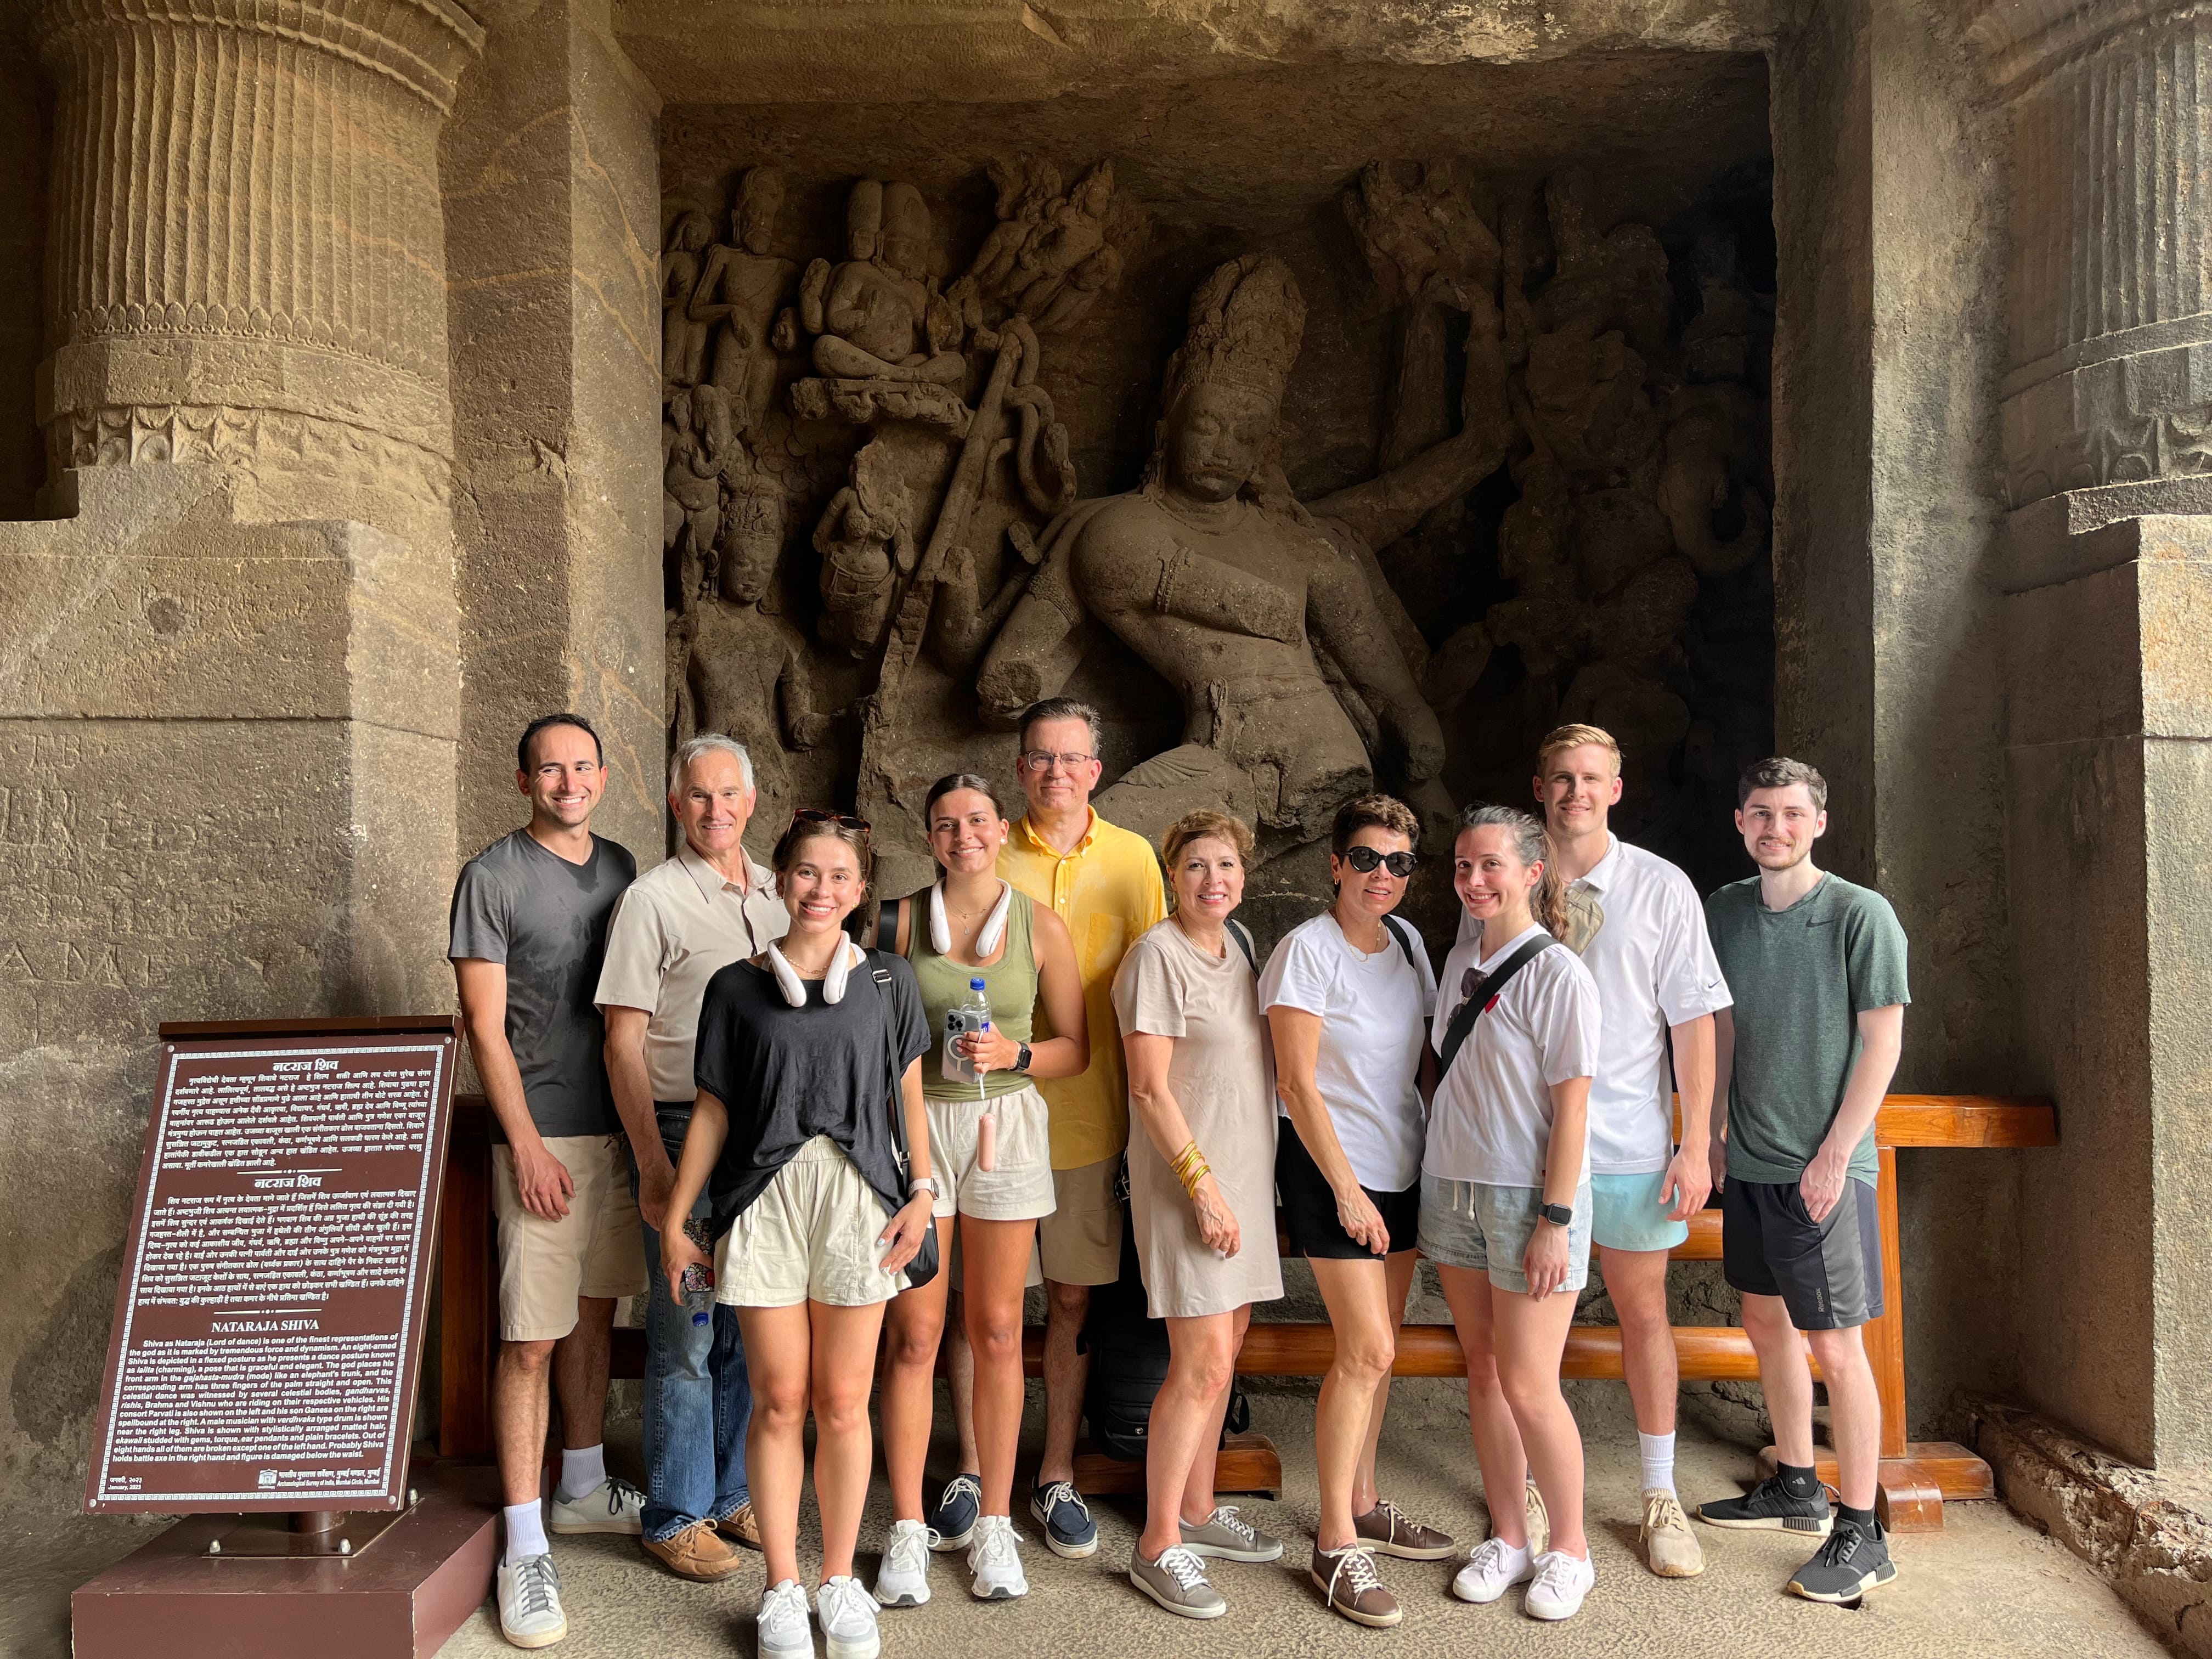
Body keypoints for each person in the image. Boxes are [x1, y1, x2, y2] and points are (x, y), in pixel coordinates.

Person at [659, 812, 936, 1659]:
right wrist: (678, 1218)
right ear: (779, 880)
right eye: (807, 873)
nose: (822, 890)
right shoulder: (736, 989)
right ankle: (782, 1585)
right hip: (766, 1200)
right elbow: (713, 1107)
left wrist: (924, 1192)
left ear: (861, 891)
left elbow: (909, 1095)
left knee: (845, 1402)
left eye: (840, 876)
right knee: (780, 1399)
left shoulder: (889, 980)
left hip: (862, 1199)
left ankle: (839, 1582)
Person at [1466, 725, 1730, 1577]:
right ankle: (1532, 1491)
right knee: (1519, 1347)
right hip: (1520, 1151)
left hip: (1624, 1144)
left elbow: (1692, 1020)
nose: (1576, 792)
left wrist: (1696, 1142)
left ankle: (1660, 1494)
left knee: (1643, 1311)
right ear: (1538, 787)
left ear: (1617, 788)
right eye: (1561, 779)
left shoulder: (1659, 887)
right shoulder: (1508, 875)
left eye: (1592, 778)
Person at [934, 696, 1160, 1561]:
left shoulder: (1136, 860)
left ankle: (1054, 1472)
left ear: (1096, 770)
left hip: (1088, 1119)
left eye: (1074, 758)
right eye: (1040, 758)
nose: (1057, 773)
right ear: (1019, 768)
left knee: (1070, 1301)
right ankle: (972, 1465)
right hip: (980, 1119)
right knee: (976, 1308)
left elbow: (1153, 988)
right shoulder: (988, 846)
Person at [450, 713, 645, 1650]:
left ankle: (580, 1483)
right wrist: (522, 1144)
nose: (568, 782)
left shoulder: (623, 867)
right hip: (544, 1135)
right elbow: (483, 1029)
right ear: (523, 779)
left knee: (594, 1312)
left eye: (582, 768)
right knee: (530, 1336)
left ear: (603, 777)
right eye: (549, 769)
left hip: (615, 1128)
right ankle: (523, 1542)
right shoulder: (491, 877)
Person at [1695, 758, 1908, 1604]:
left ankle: (1862, 1530)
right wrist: (1708, 1133)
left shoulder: (1861, 914)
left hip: (1824, 1169)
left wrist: (1833, 1155)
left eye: (1790, 814)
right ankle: (1795, 1483)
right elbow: (1719, 1027)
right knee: (1762, 1320)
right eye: (1758, 813)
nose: (1773, 827)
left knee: (1838, 1347)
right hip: (1746, 1158)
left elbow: (1881, 1043)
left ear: (1818, 822)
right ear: (1740, 823)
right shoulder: (1725, 911)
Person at [874, 775, 1090, 1606]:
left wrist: (1015, 1056)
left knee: (998, 1329)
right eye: (944, 824)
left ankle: (996, 1523)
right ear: (930, 837)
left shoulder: (1040, 925)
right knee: (916, 1337)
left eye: (976, 821)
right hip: (917, 1127)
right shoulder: (894, 921)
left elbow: (1076, 1047)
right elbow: (867, 1030)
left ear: (1003, 830)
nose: (962, 835)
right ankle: (904, 1530)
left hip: (1007, 1125)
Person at [595, 735, 787, 1579]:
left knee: (749, 1322)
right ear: (677, 805)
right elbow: (622, 1041)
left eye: (729, 795)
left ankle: (729, 1490)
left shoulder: (785, 898)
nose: (715, 810)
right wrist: (655, 1165)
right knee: (688, 1328)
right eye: (698, 797)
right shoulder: (652, 900)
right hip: (683, 1132)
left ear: (752, 802)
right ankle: (674, 1512)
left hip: (766, 1142)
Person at [1259, 794, 1452, 1627]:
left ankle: (1367, 1497)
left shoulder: (1408, 944)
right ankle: (1335, 1542)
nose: (1383, 875)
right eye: (1367, 858)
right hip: (1330, 1167)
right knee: (1366, 1350)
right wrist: (1344, 1191)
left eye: (1399, 863)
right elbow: (1297, 1084)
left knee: (1385, 1350)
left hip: (1401, 1162)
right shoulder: (1307, 952)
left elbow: (1424, 1063)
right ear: (1334, 863)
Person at [1424, 804, 1602, 1623]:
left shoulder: (1558, 973)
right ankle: (1509, 1533)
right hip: (1453, 1187)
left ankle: (1570, 1546)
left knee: (1532, 1383)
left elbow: (1573, 1111)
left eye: (1492, 865)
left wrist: (1556, 1220)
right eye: (1464, 867)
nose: (1475, 881)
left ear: (1534, 872)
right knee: (1487, 1372)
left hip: (1530, 1197)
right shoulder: (1459, 958)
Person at [1113, 809, 1285, 1620]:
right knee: (1202, 1361)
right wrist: (1203, 1187)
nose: (1213, 881)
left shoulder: (1240, 946)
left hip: (1245, 1175)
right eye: (1195, 868)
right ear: (1171, 878)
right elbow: (1149, 1088)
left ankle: (1199, 1508)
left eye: (1225, 866)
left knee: (1231, 1343)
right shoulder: (1158, 955)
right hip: (1190, 1182)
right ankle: (1157, 1543)